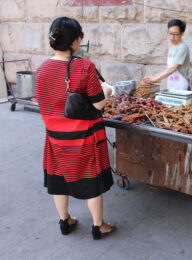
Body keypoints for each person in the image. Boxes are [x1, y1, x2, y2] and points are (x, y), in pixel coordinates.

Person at [35, 17, 114, 240]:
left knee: (58, 179)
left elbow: (45, 104)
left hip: (55, 138)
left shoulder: (41, 70)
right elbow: (98, 104)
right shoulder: (83, 66)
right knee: (91, 179)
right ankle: (98, 226)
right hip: (83, 136)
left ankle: (65, 220)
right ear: (74, 41)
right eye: (80, 36)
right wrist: (106, 92)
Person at [143, 19, 190, 90]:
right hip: (172, 84)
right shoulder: (173, 47)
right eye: (170, 33)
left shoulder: (182, 48)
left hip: (181, 86)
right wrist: (153, 77)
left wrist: (155, 78)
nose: (172, 37)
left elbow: (173, 68)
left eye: (175, 34)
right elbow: (169, 69)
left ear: (182, 34)